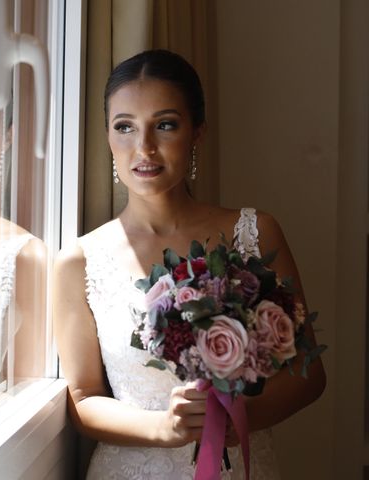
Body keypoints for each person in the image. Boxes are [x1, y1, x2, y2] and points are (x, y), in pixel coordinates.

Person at [53, 49, 326, 479]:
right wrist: (165, 427)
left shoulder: (253, 234)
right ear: (107, 136)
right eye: (124, 127)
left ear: (197, 132)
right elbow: (83, 399)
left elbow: (308, 375)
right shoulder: (79, 261)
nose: (143, 147)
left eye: (165, 125)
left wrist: (237, 420)